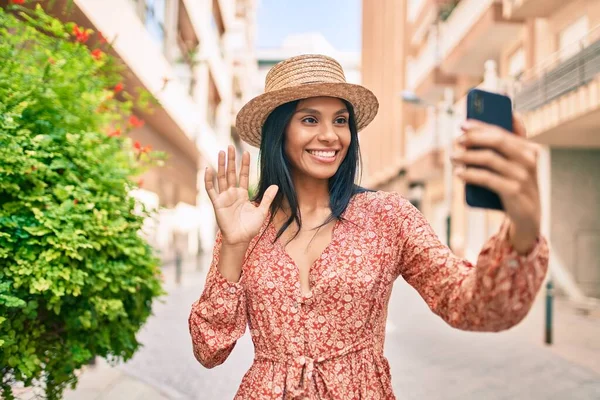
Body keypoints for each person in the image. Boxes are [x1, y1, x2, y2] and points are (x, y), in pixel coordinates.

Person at [188, 54, 549, 399]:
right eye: (310, 119)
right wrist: (234, 245)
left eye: (341, 120)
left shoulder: (387, 216)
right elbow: (209, 350)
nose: (331, 135)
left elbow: (474, 306)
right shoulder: (246, 224)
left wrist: (523, 226)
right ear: (279, 132)